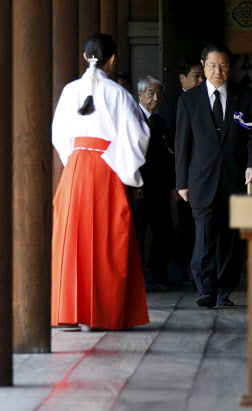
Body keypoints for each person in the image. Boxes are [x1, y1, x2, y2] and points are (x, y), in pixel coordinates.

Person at [51, 33, 150, 331]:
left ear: (85, 57)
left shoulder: (70, 90)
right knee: (107, 239)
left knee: (73, 237)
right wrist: (123, 168)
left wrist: (75, 159)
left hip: (77, 166)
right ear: (112, 59)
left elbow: (59, 134)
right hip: (106, 166)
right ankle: (100, 312)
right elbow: (138, 135)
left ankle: (69, 311)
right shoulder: (119, 94)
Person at [174, 43, 252, 307]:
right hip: (201, 180)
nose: (218, 71)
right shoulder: (189, 100)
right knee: (204, 237)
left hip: (235, 179)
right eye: (213, 66)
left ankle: (225, 291)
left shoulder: (245, 97)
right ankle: (206, 290)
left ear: (230, 67)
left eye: (223, 66)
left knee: (231, 240)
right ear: (203, 66)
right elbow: (182, 144)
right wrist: (181, 182)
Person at [158, 62, 205, 286]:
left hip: (202, 173)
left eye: (201, 76)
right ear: (182, 78)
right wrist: (176, 182)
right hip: (182, 176)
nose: (200, 81)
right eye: (196, 76)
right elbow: (170, 148)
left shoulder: (205, 98)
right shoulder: (172, 105)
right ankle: (178, 273)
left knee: (198, 225)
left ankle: (196, 274)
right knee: (185, 225)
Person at [132, 75, 175, 289]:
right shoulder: (132, 119)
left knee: (164, 229)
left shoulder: (160, 121)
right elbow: (130, 153)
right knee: (138, 231)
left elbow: (166, 156)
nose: (156, 98)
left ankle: (158, 274)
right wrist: (136, 184)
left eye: (159, 94)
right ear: (140, 95)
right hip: (139, 185)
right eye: (151, 93)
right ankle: (139, 276)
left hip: (159, 186)